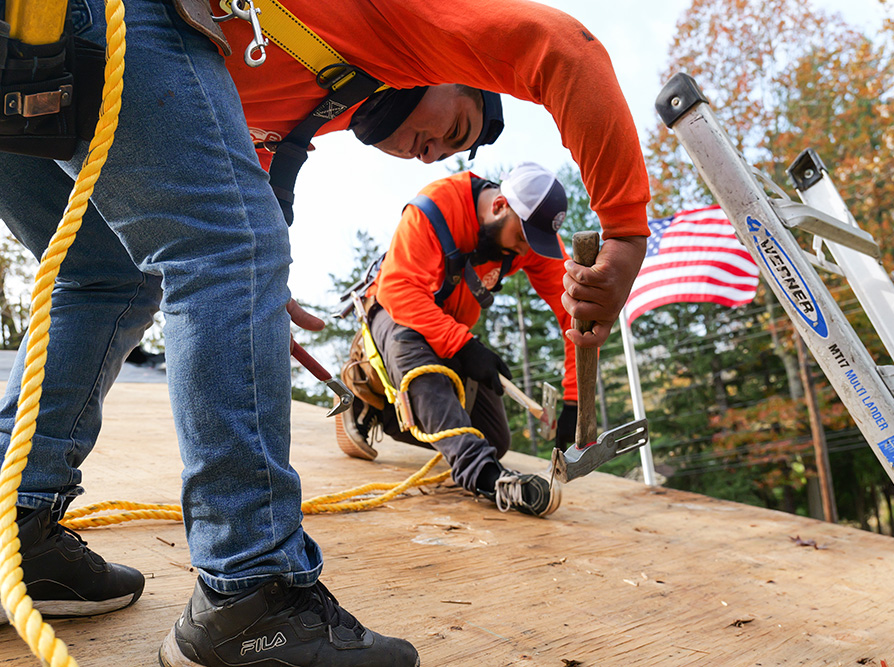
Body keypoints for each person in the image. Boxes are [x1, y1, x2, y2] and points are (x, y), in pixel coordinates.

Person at [0, 1, 648, 666]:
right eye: (452, 126)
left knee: (104, 272)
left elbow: (223, 190)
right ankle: (253, 593)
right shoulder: (399, 22)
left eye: (450, 151)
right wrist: (625, 233)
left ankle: (16, 526)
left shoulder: (311, 99)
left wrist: (247, 302)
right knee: (229, 250)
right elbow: (566, 47)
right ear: (445, 67)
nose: (434, 153)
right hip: (93, 16)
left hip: (32, 41)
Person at [337, 163, 576, 517]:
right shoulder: (433, 209)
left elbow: (574, 312)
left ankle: (379, 409)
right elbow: (399, 291)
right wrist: (464, 346)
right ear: (499, 206)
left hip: (449, 331)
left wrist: (573, 399)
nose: (526, 250)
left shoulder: (530, 235)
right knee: (422, 365)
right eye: (521, 239)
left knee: (494, 438)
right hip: (396, 315)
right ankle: (485, 477)